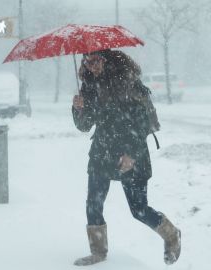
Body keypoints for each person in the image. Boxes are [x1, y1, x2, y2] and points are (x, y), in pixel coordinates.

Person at [71, 49, 181, 266]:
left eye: (95, 61)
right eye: (87, 61)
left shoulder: (127, 82)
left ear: (106, 59)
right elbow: (84, 125)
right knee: (93, 203)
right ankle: (98, 252)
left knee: (139, 210)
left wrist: (131, 154)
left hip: (131, 150)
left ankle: (171, 234)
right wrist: (78, 109)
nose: (91, 66)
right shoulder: (89, 85)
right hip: (102, 150)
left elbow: (141, 124)